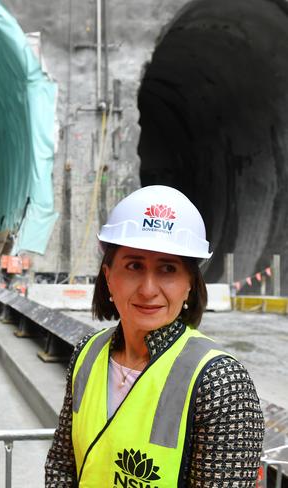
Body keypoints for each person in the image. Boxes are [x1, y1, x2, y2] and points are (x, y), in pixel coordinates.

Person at [45, 185, 264, 487]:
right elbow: (62, 464)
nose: (148, 289)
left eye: (167, 269)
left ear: (189, 283)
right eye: (134, 266)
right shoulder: (88, 353)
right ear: (109, 277)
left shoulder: (220, 381)